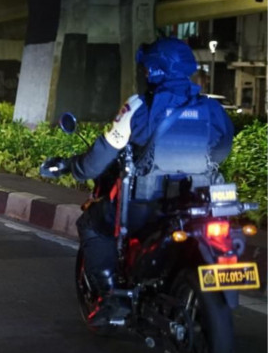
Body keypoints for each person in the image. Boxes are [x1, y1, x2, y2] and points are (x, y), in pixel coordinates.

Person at [40, 37, 234, 325]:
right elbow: (221, 150)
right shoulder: (213, 109)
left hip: (145, 205)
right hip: (197, 204)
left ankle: (108, 296)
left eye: (147, 68)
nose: (144, 73)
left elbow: (99, 158)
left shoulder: (139, 107)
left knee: (92, 222)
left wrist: (75, 168)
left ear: (155, 71)